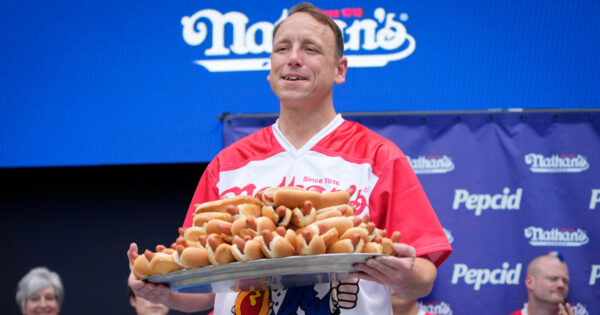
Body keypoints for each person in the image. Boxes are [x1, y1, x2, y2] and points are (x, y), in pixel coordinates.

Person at [127, 2, 452, 314]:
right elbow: (206, 289)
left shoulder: (379, 157)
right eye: (282, 48)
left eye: (310, 49)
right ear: (270, 69)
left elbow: (423, 277)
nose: (293, 58)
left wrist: (402, 275)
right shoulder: (227, 165)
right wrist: (164, 291)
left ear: (340, 70)